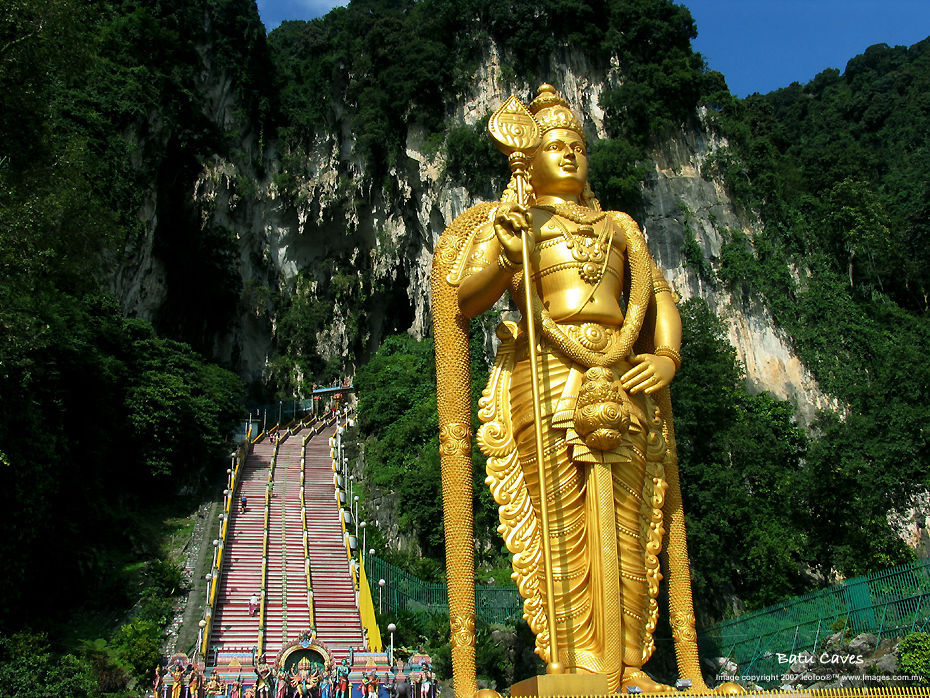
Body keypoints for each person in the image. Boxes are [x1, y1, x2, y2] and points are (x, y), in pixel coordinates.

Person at [432, 84, 710, 694]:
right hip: (548, 374)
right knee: (561, 523)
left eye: (577, 145)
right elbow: (463, 300)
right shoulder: (520, 222)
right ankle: (577, 663)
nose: (569, 155)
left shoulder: (620, 227)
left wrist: (666, 355)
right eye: (554, 145)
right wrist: (506, 254)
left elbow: (659, 296)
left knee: (632, 523)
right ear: (528, 158)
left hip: (622, 376)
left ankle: (630, 664)